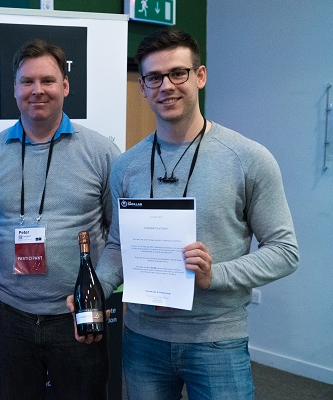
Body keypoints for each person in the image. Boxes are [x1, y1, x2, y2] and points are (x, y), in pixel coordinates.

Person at [94, 28, 300, 399]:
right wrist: (97, 287)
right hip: (142, 339)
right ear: (143, 87)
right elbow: (117, 246)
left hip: (216, 340)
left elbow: (285, 252)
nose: (166, 86)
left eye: (178, 73)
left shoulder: (248, 158)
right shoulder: (126, 166)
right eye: (154, 77)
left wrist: (213, 275)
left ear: (200, 76)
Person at [0, 39, 121, 400]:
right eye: (27, 81)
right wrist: (10, 259)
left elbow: (119, 233)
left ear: (65, 86)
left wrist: (97, 289)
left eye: (48, 81)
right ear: (15, 89)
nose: (37, 90)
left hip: (76, 317)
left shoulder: (101, 152)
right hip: (9, 317)